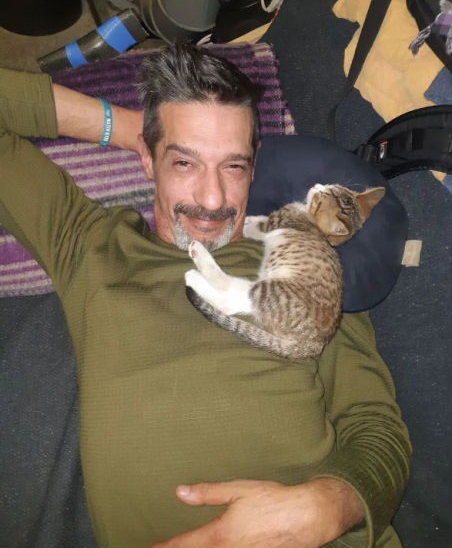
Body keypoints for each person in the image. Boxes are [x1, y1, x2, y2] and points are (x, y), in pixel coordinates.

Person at [0, 42, 410, 548]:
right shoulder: (90, 246)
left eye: (233, 166)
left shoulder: (313, 263)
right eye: (184, 163)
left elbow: (377, 427)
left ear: (254, 168)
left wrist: (327, 505)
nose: (213, 200)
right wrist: (126, 128)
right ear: (147, 159)